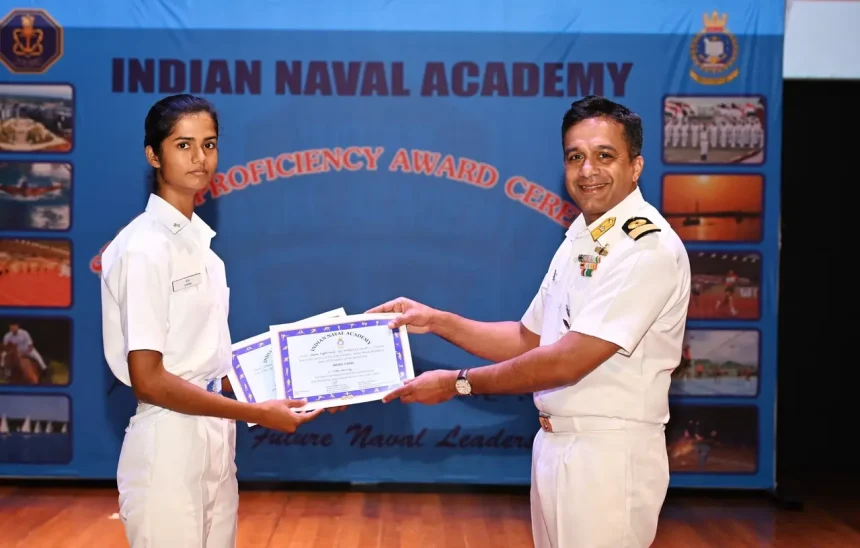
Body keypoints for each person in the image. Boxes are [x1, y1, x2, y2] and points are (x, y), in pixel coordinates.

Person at [369, 95, 691, 547]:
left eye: (605, 156)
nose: (587, 170)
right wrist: (438, 321)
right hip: (557, 447)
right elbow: (529, 338)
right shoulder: (580, 239)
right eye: (575, 156)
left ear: (635, 166)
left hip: (608, 455)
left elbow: (565, 362)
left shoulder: (643, 247)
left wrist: (457, 383)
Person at [100, 94, 328, 547]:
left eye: (209, 144)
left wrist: (303, 384)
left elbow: (210, 374)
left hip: (217, 444)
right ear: (153, 154)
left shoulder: (205, 252)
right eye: (183, 145)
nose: (199, 158)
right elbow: (149, 380)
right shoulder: (144, 247)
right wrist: (256, 413)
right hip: (167, 445)